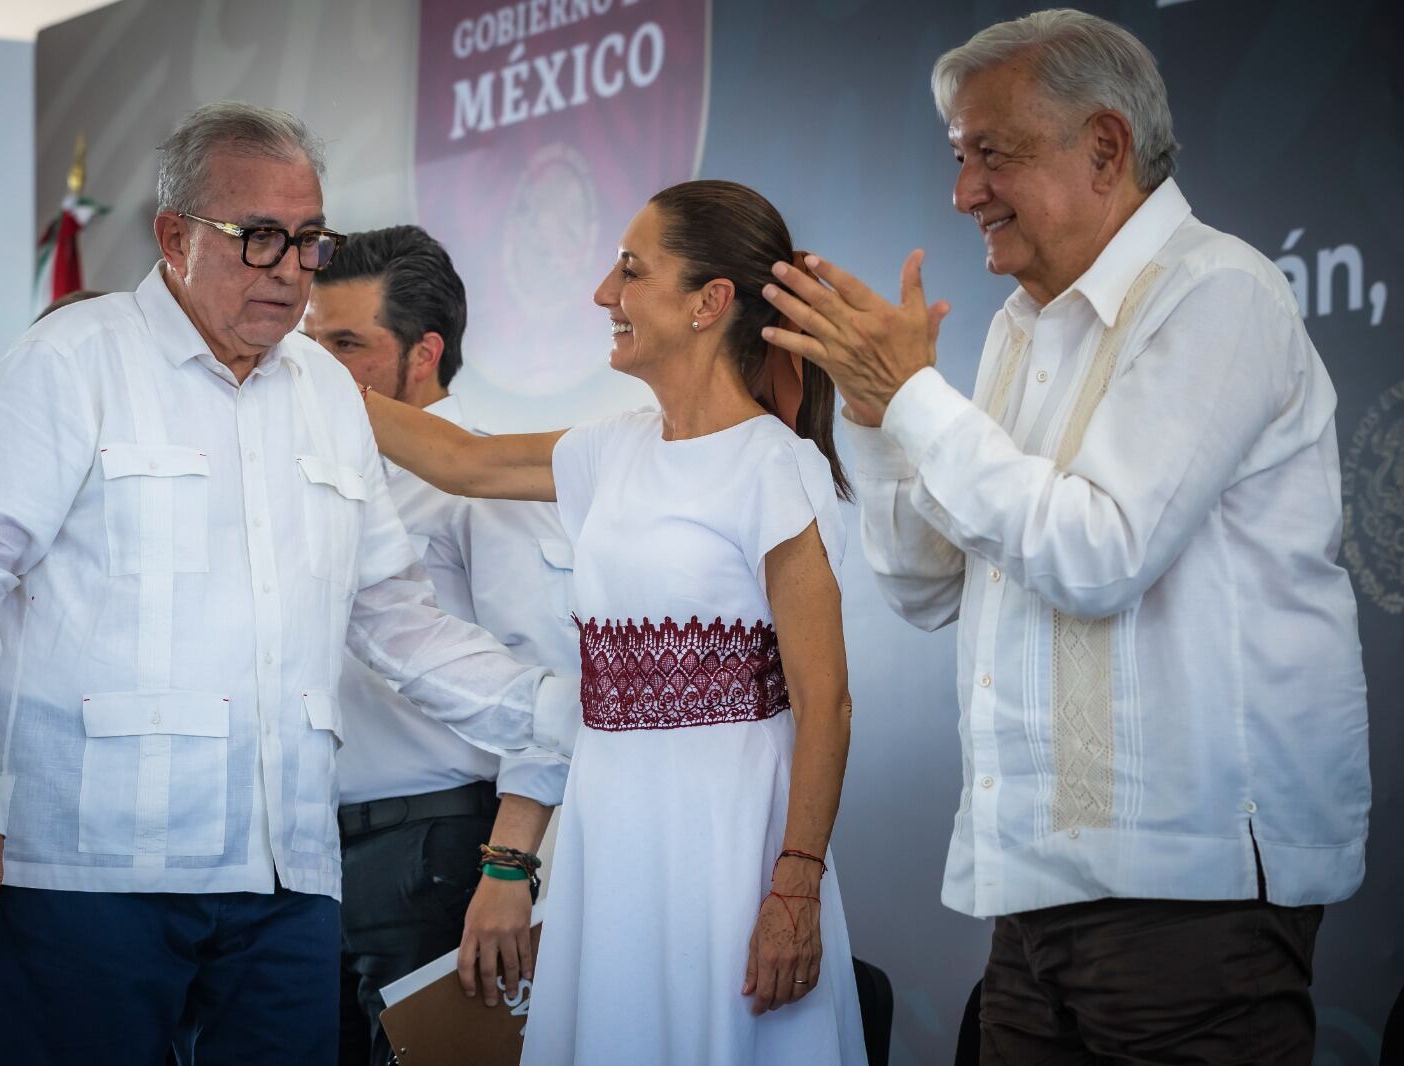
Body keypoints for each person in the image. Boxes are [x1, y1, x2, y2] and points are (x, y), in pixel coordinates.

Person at [0, 102, 575, 1066]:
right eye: (260, 238)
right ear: (175, 236)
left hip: (287, 877)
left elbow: (394, 618)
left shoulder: (330, 395)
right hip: (91, 872)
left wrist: (565, 711)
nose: (292, 269)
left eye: (308, 242)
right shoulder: (67, 364)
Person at [762, 9, 1369, 1062]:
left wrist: (910, 397)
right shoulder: (1015, 330)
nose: (961, 194)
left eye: (989, 154)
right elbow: (924, 583)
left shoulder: (1214, 292)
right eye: (957, 158)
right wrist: (870, 415)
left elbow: (1098, 553)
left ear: (1103, 148)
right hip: (1034, 889)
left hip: (1189, 900)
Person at [364, 180, 868, 1065]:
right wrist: (290, 371)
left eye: (632, 271)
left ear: (710, 303)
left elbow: (825, 705)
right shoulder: (613, 448)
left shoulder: (774, 467)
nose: (605, 293)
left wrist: (795, 884)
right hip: (611, 821)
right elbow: (462, 461)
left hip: (729, 831)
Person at [303, 226, 574, 1065]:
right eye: (309, 344)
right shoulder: (318, 477)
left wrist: (506, 871)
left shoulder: (480, 482)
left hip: (434, 853)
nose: (316, 368)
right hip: (310, 856)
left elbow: (551, 681)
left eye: (346, 344)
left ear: (425, 352)